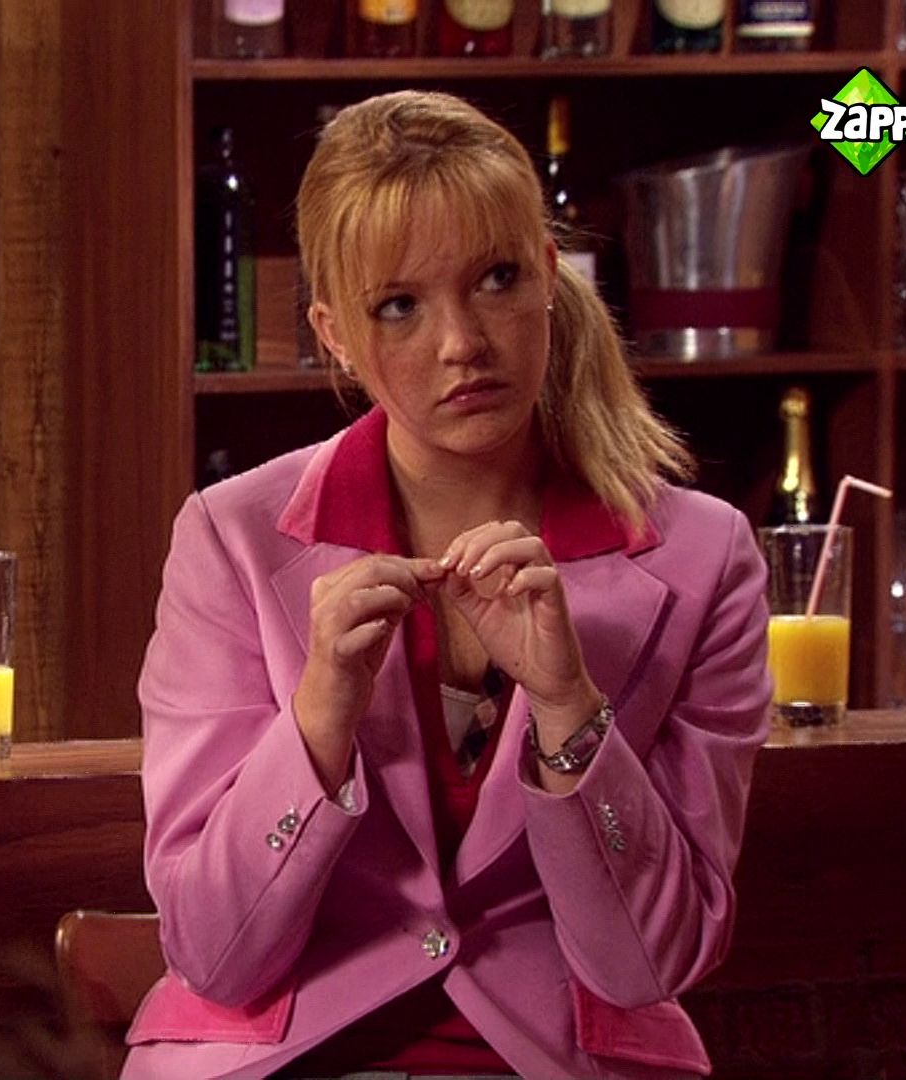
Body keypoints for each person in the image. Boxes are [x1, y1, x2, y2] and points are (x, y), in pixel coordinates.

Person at [123, 90, 772, 1080]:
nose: (462, 342)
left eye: (498, 279)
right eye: (400, 306)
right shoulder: (230, 539)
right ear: (335, 335)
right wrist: (318, 718)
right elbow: (214, 952)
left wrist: (568, 708)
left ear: (549, 277)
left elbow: (652, 961)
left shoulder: (705, 558)